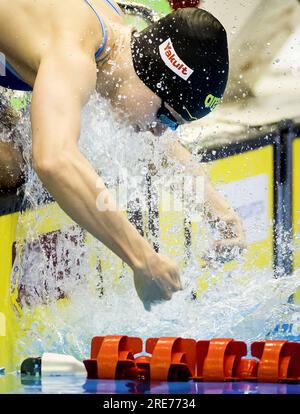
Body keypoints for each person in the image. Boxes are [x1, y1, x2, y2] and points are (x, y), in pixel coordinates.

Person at [0, 0, 245, 309]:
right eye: (166, 117)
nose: (159, 131)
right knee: (13, 164)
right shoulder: (75, 54)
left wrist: (223, 215)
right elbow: (53, 159)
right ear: (151, 76)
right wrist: (142, 259)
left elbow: (159, 150)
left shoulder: (114, 42)